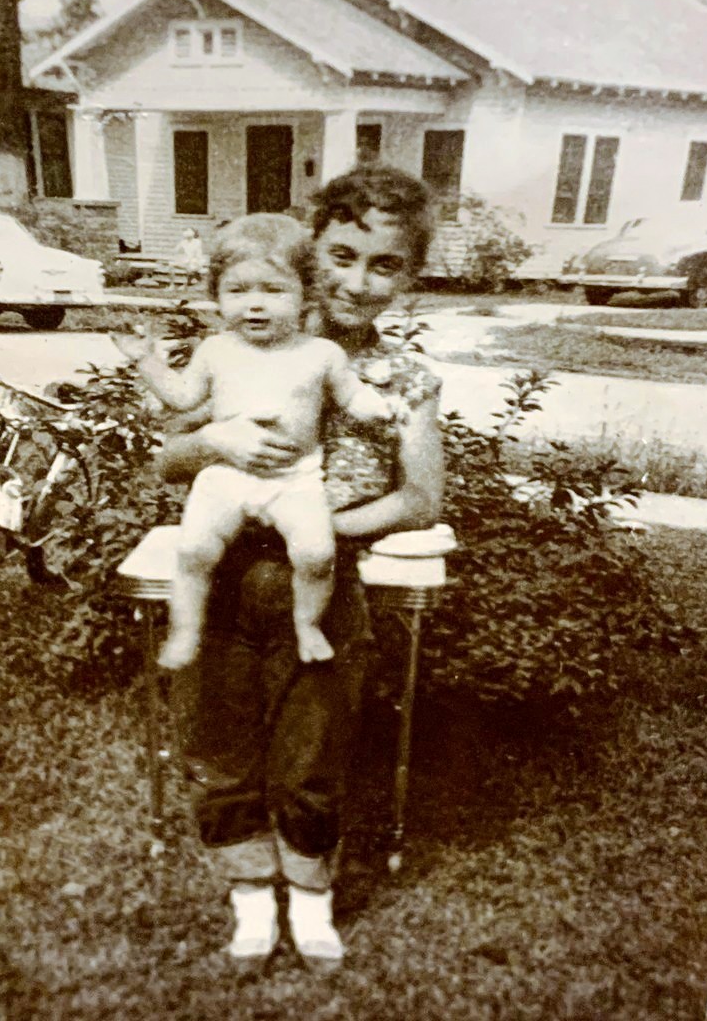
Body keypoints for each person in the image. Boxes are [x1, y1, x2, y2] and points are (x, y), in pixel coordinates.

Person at [155, 165, 444, 968]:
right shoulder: (239, 345)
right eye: (342, 256)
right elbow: (165, 461)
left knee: (312, 756)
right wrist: (210, 441)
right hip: (222, 580)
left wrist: (318, 526)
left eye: (385, 266)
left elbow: (421, 498)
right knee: (218, 747)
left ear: (409, 278)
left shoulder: (403, 380)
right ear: (309, 253)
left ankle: (311, 902)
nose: (357, 281)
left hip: (320, 580)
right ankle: (251, 901)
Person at [114, 214, 396, 670]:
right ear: (217, 296)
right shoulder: (216, 350)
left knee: (316, 554)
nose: (255, 306)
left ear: (306, 294)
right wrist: (146, 360)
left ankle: (308, 623)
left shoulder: (321, 354)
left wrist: (378, 408)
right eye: (238, 290)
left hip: (295, 478)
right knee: (195, 551)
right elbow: (183, 397)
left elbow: (351, 395)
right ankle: (185, 630)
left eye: (274, 290)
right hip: (226, 476)